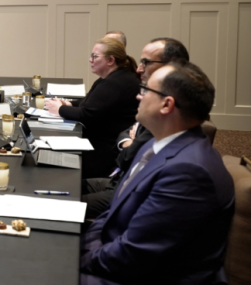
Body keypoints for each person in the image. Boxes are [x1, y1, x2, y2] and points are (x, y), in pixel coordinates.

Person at [80, 61, 234, 285]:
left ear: (166, 104)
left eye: (145, 90)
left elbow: (133, 254)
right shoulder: (158, 144)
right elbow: (112, 213)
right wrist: (83, 244)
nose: (138, 96)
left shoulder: (188, 172)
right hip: (118, 255)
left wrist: (75, 256)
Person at [82, 37, 189, 219]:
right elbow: (128, 132)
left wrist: (129, 145)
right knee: (61, 186)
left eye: (146, 62)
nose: (139, 69)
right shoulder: (155, 100)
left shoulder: (167, 116)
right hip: (120, 179)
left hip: (126, 187)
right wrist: (128, 141)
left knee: (61, 202)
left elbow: (127, 159)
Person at [45, 37, 139, 179]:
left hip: (103, 153)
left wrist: (59, 109)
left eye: (95, 56)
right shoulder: (114, 78)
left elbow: (86, 115)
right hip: (103, 144)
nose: (90, 60)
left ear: (110, 60)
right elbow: (92, 102)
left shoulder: (115, 83)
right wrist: (70, 104)